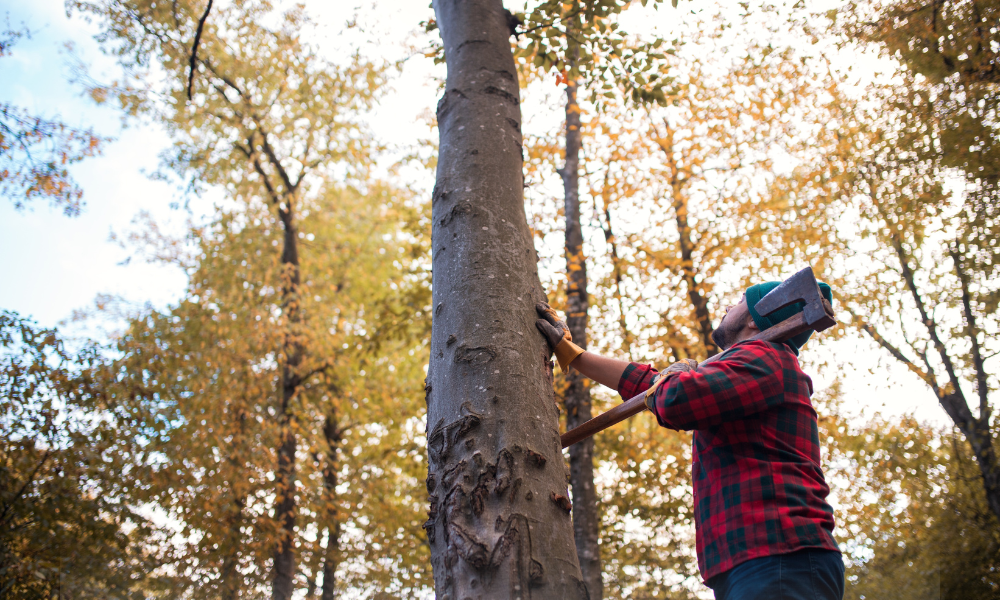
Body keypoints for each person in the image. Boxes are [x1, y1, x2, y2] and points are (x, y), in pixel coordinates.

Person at [535, 280, 844, 600]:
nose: (727, 308)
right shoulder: (752, 366)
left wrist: (673, 378)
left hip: (777, 556)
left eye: (738, 301)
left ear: (754, 318)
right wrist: (576, 356)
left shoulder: (767, 357)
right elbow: (653, 387)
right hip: (760, 561)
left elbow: (674, 398)